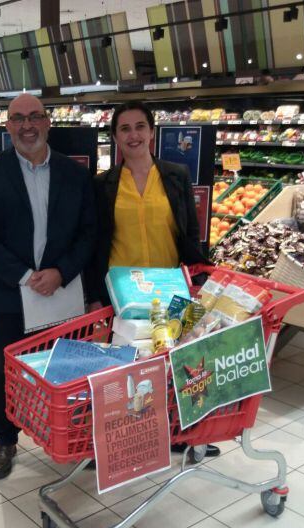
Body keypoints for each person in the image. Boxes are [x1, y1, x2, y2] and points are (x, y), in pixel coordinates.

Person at [0, 94, 96, 480]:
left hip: (63, 290)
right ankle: (5, 439)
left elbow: (90, 231)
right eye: (18, 119)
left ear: (47, 122)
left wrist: (62, 271)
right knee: (7, 369)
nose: (27, 125)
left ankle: (70, 431)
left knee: (65, 365)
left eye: (35, 117)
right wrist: (24, 276)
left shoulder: (74, 173)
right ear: (8, 126)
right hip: (11, 292)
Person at [85, 100, 219, 459]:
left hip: (170, 290)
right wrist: (94, 295)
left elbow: (190, 230)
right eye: (125, 128)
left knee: (175, 361)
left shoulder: (175, 175)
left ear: (152, 132)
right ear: (115, 136)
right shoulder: (103, 185)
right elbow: (95, 242)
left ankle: (180, 432)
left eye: (140, 127)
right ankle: (118, 439)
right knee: (124, 367)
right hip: (124, 294)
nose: (133, 135)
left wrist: (199, 279)